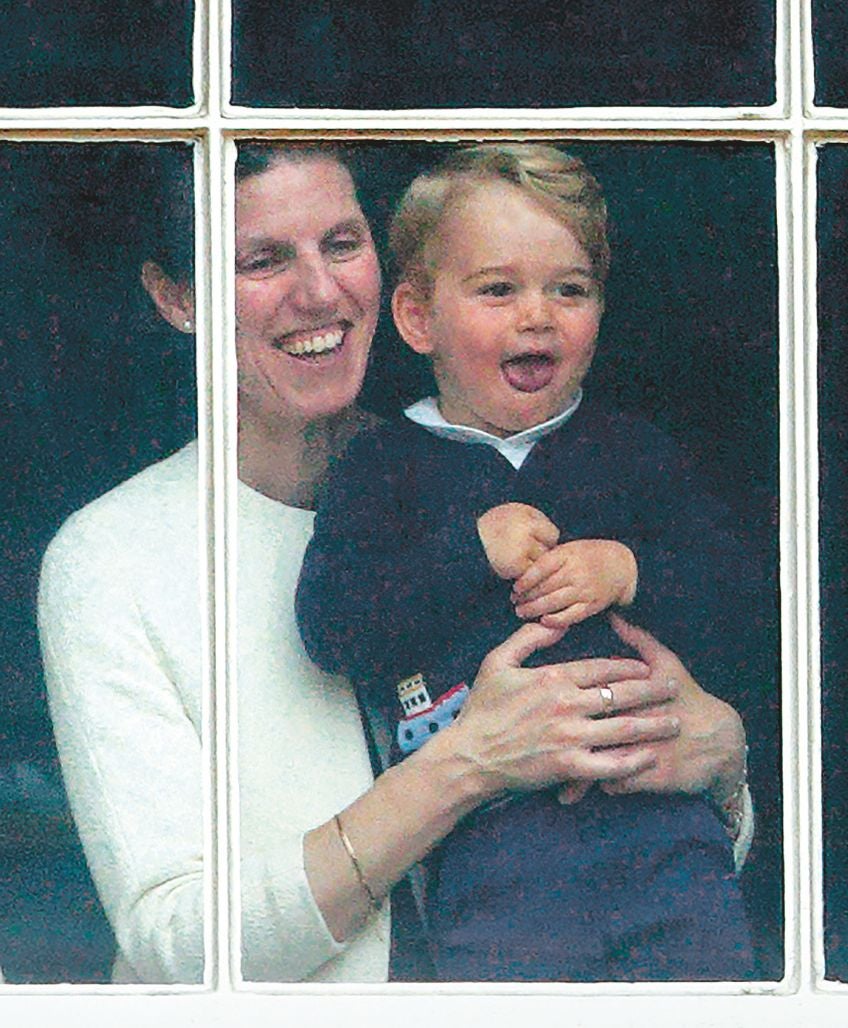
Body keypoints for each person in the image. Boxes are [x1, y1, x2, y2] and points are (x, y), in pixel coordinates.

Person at [38, 141, 751, 984]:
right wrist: (467, 764)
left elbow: (669, 836)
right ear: (177, 297)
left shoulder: (495, 468)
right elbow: (175, 946)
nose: (319, 292)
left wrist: (722, 763)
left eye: (341, 245)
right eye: (262, 260)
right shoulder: (111, 560)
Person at [297, 143, 760, 981]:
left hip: (663, 829)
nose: (537, 316)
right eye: (497, 289)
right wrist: (468, 552)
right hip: (491, 847)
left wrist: (629, 571)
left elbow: (740, 599)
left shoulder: (633, 451)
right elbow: (334, 625)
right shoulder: (381, 468)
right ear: (417, 318)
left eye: (568, 289)